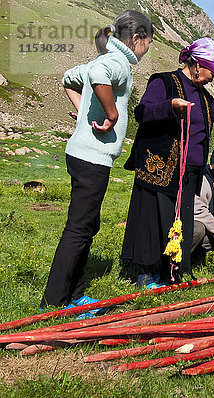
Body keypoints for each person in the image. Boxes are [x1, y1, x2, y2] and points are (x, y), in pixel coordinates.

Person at [120, 37, 214, 289]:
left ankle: (171, 270)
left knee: (181, 222)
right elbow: (142, 112)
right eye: (211, 72)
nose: (213, 78)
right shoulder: (163, 82)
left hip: (189, 173)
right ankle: (146, 275)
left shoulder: (202, 96)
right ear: (197, 65)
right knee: (155, 221)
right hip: (161, 169)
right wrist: (170, 106)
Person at [40, 11, 154, 312]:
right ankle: (54, 302)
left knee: (86, 226)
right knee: (78, 228)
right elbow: (98, 76)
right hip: (92, 157)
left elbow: (69, 78)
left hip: (83, 154)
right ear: (137, 39)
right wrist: (112, 114)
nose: (147, 49)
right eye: (148, 43)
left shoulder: (105, 57)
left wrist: (84, 110)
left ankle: (75, 297)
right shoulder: (116, 62)